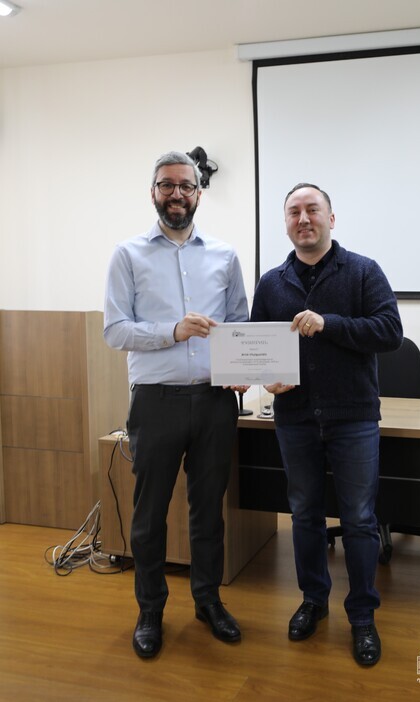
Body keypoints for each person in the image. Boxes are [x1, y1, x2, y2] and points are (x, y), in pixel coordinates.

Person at [250, 182, 403, 666]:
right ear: (286, 223)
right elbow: (256, 345)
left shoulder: (363, 271)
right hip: (295, 419)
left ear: (330, 219)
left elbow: (390, 332)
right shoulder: (271, 283)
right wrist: (265, 378)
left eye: (312, 209)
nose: (303, 219)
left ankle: (362, 616)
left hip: (353, 417)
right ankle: (313, 601)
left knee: (358, 520)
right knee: (304, 517)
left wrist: (329, 323)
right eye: (294, 212)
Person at [104, 151, 249, 658]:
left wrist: (243, 370)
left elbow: (239, 325)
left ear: (198, 194)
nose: (177, 194)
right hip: (156, 402)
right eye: (167, 185)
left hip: (214, 402)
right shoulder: (127, 255)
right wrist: (173, 331)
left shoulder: (225, 256)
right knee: (149, 516)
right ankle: (150, 611)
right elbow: (115, 330)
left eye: (186, 186)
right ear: (153, 192)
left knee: (208, 513)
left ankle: (208, 602)